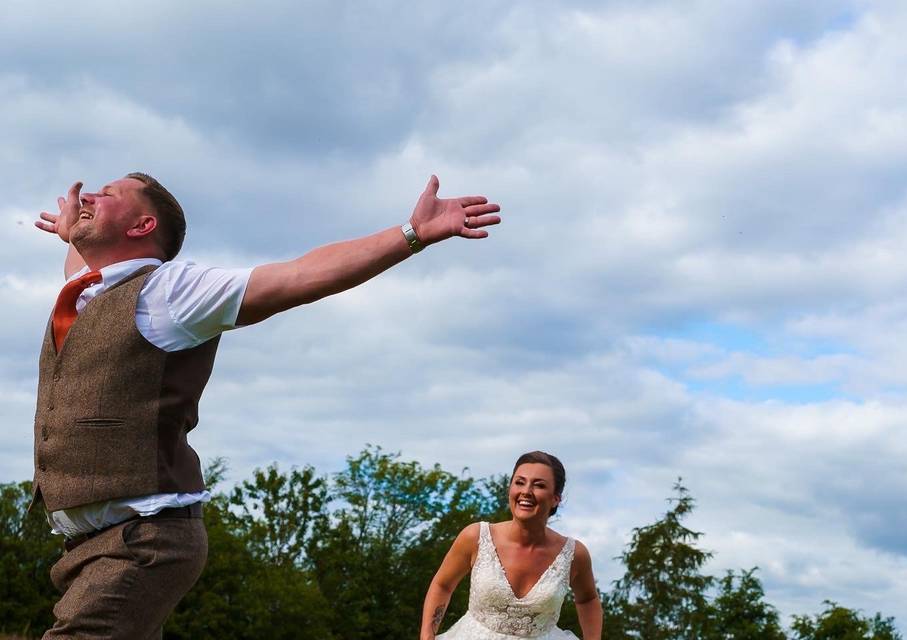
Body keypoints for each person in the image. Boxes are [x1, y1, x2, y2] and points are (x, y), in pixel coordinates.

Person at [32, 172, 501, 639]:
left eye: (107, 194)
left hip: (143, 541)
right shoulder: (85, 292)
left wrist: (411, 234)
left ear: (142, 226)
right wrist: (71, 234)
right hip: (87, 548)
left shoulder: (170, 292)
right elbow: (82, 263)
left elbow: (300, 274)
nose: (86, 195)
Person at [420, 451, 603, 640]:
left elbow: (588, 599)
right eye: (519, 482)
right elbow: (443, 585)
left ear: (556, 498)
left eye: (539, 485)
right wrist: (427, 634)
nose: (526, 491)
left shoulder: (574, 555)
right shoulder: (475, 537)